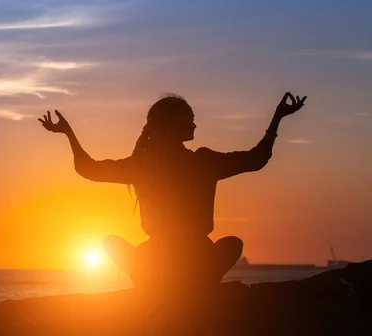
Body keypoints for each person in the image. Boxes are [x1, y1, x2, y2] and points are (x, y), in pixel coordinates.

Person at [39, 92, 306, 294]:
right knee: (232, 243)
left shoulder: (142, 167)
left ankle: (151, 285)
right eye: (190, 120)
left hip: (155, 259)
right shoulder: (202, 162)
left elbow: (88, 169)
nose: (194, 126)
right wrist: (277, 118)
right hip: (196, 258)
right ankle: (198, 286)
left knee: (112, 243)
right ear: (174, 125)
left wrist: (68, 133)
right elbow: (257, 158)